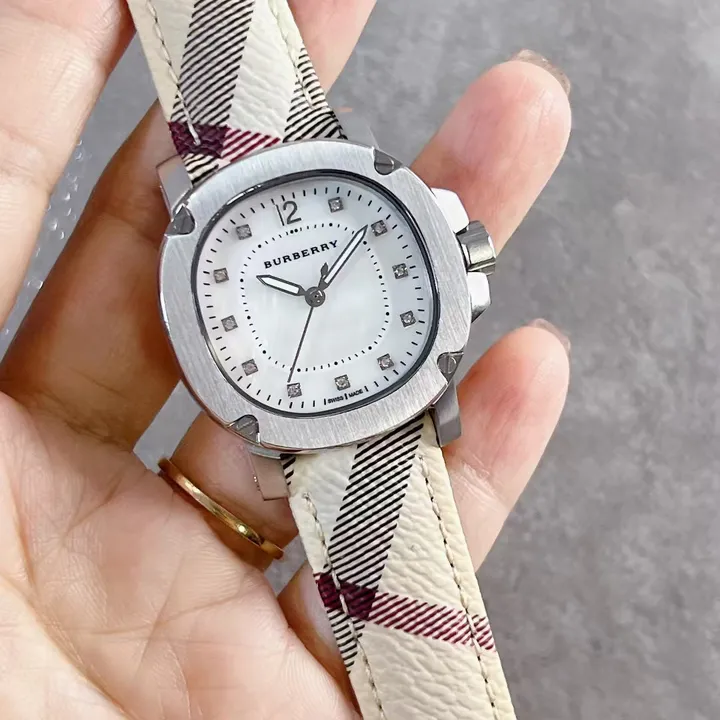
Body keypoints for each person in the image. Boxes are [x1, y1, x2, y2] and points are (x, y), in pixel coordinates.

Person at [0, 1, 572, 716]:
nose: (314, 293)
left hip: (378, 395)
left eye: (316, 288)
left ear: (457, 255)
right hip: (305, 414)